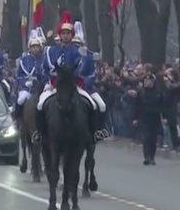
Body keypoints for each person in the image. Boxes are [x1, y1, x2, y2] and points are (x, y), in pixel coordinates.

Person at [33, 12, 99, 143]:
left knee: (97, 105)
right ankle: (39, 133)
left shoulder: (78, 51)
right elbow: (44, 69)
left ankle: (95, 133)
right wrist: (48, 83)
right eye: (63, 33)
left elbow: (84, 70)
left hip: (75, 85)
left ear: (72, 35)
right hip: (54, 85)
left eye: (68, 33)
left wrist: (81, 81)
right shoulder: (50, 51)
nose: (65, 35)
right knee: (40, 105)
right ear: (60, 35)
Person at [73, 21, 109, 140]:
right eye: (74, 43)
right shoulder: (69, 55)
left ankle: (99, 129)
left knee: (101, 105)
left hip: (86, 88)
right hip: (71, 87)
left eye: (78, 43)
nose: (77, 46)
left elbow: (92, 73)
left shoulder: (89, 57)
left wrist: (84, 83)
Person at [14, 30, 45, 120]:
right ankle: (17, 120)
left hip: (40, 88)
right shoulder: (24, 60)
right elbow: (19, 75)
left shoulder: (44, 59)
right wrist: (24, 83)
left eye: (37, 46)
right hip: (26, 88)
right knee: (21, 100)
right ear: (29, 48)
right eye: (33, 46)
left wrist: (36, 82)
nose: (35, 48)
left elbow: (44, 74)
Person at [134, 73, 163, 165]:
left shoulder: (158, 92)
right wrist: (135, 118)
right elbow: (137, 106)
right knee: (146, 137)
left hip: (155, 117)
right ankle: (146, 157)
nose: (147, 82)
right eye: (145, 81)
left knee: (153, 138)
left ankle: (152, 157)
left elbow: (163, 105)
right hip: (144, 117)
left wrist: (164, 116)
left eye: (149, 81)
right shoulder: (141, 92)